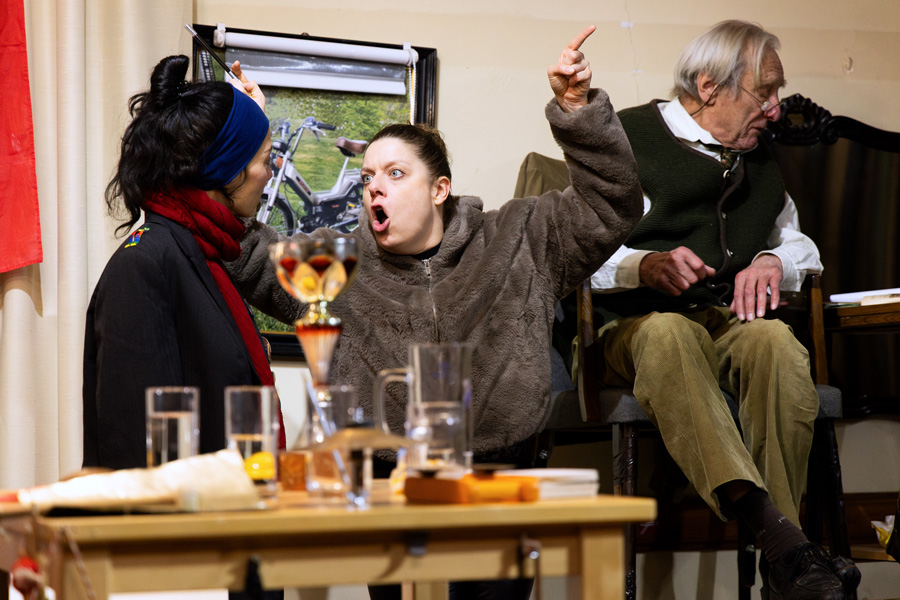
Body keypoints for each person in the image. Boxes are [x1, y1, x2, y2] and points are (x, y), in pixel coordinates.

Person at [227, 26, 643, 600]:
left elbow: (611, 206)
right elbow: (240, 250)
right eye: (369, 177)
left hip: (498, 480)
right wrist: (246, 132)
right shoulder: (334, 265)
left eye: (395, 174)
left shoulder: (519, 237)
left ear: (440, 188)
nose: (376, 189)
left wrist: (577, 111)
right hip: (387, 489)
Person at [588, 20, 859, 599]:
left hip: (718, 321)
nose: (776, 108)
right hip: (631, 326)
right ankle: (787, 543)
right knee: (668, 335)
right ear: (709, 86)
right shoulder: (629, 138)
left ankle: (783, 565)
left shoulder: (759, 159)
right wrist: (644, 266)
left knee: (777, 344)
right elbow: (575, 252)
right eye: (765, 91)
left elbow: (799, 246)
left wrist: (769, 260)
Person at [82, 54, 281, 471]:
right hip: (182, 530)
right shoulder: (146, 264)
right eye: (265, 158)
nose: (271, 171)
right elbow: (137, 451)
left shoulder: (202, 251)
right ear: (228, 172)